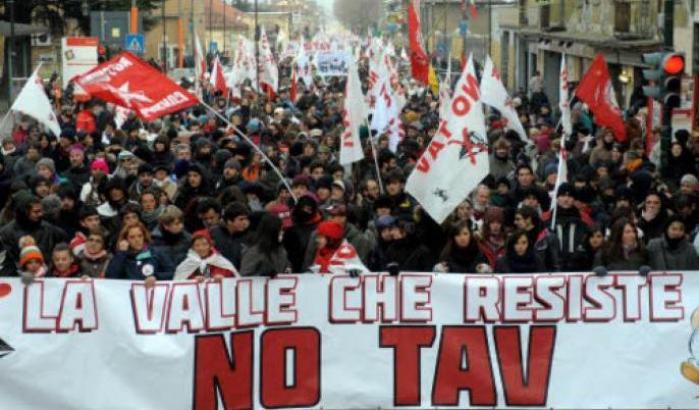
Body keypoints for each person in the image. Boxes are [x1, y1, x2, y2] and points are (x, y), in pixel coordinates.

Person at [0, 191, 67, 276]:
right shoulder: (6, 233)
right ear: (24, 213)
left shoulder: (50, 230)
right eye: (36, 212)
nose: (41, 214)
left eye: (41, 211)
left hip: (47, 279)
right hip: (17, 279)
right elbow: (6, 262)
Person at [105, 222, 173, 284]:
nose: (137, 240)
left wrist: (156, 277)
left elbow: (172, 273)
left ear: (144, 236)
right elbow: (110, 278)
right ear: (125, 240)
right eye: (132, 237)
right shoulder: (121, 257)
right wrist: (121, 253)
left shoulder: (156, 253)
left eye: (140, 236)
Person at [174, 230, 239, 280]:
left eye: (204, 244)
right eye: (197, 245)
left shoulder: (220, 261)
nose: (201, 248)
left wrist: (222, 277)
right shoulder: (187, 263)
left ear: (210, 246)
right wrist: (193, 280)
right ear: (192, 248)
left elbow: (233, 278)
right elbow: (179, 282)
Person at [210, 202, 251, 270]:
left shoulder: (250, 237)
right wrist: (206, 277)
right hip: (217, 277)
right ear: (229, 221)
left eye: (246, 219)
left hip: (240, 277)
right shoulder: (213, 233)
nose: (244, 222)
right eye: (241, 219)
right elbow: (204, 258)